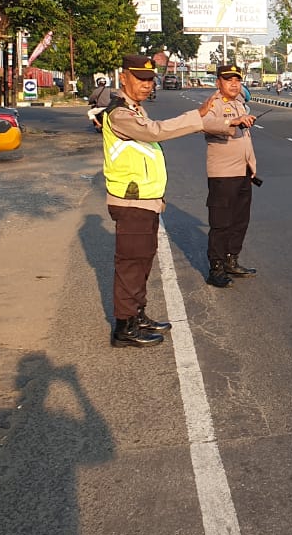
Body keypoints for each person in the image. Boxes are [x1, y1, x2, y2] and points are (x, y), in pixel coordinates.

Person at [102, 55, 241, 348]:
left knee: (142, 261)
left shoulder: (133, 109)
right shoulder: (119, 113)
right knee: (131, 264)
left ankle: (137, 315)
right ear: (123, 77)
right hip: (131, 201)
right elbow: (156, 131)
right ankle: (125, 327)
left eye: (150, 80)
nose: (146, 85)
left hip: (145, 200)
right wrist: (196, 117)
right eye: (139, 78)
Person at [200, 63, 260, 287]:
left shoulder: (239, 103)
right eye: (228, 80)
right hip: (223, 174)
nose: (234, 84)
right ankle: (215, 268)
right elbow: (203, 123)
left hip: (243, 171)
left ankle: (231, 260)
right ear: (218, 82)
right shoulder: (213, 103)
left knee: (240, 220)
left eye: (237, 80)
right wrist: (231, 121)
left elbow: (244, 138)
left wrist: (252, 166)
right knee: (221, 222)